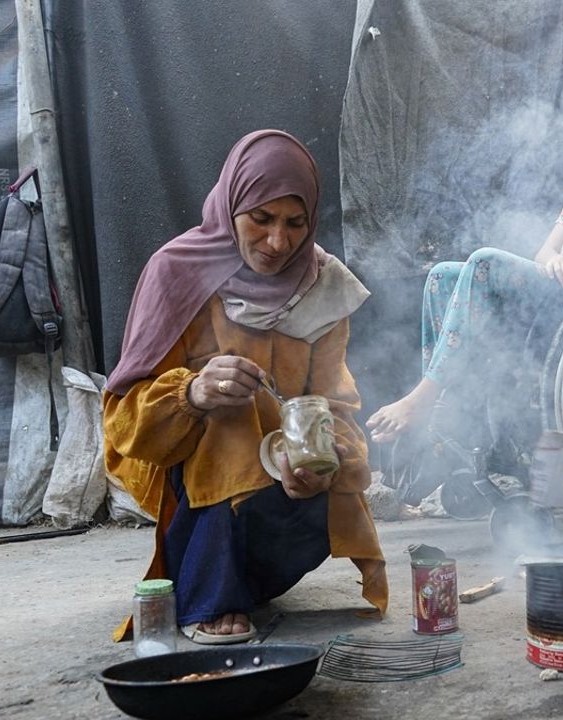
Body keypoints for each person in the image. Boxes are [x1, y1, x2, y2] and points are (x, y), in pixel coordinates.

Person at [103, 129, 387, 645]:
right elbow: (126, 422)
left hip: (284, 488)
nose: (278, 242)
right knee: (231, 417)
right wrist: (193, 393)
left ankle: (228, 578)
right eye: (261, 218)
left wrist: (320, 463)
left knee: (324, 457)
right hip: (185, 471)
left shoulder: (323, 287)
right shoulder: (176, 273)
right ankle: (214, 595)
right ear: (231, 207)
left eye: (295, 223)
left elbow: (336, 406)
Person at [364, 77, 563, 444]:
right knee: (442, 274)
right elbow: (545, 252)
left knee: (485, 261)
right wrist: (556, 261)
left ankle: (425, 397)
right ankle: (448, 400)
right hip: (560, 281)